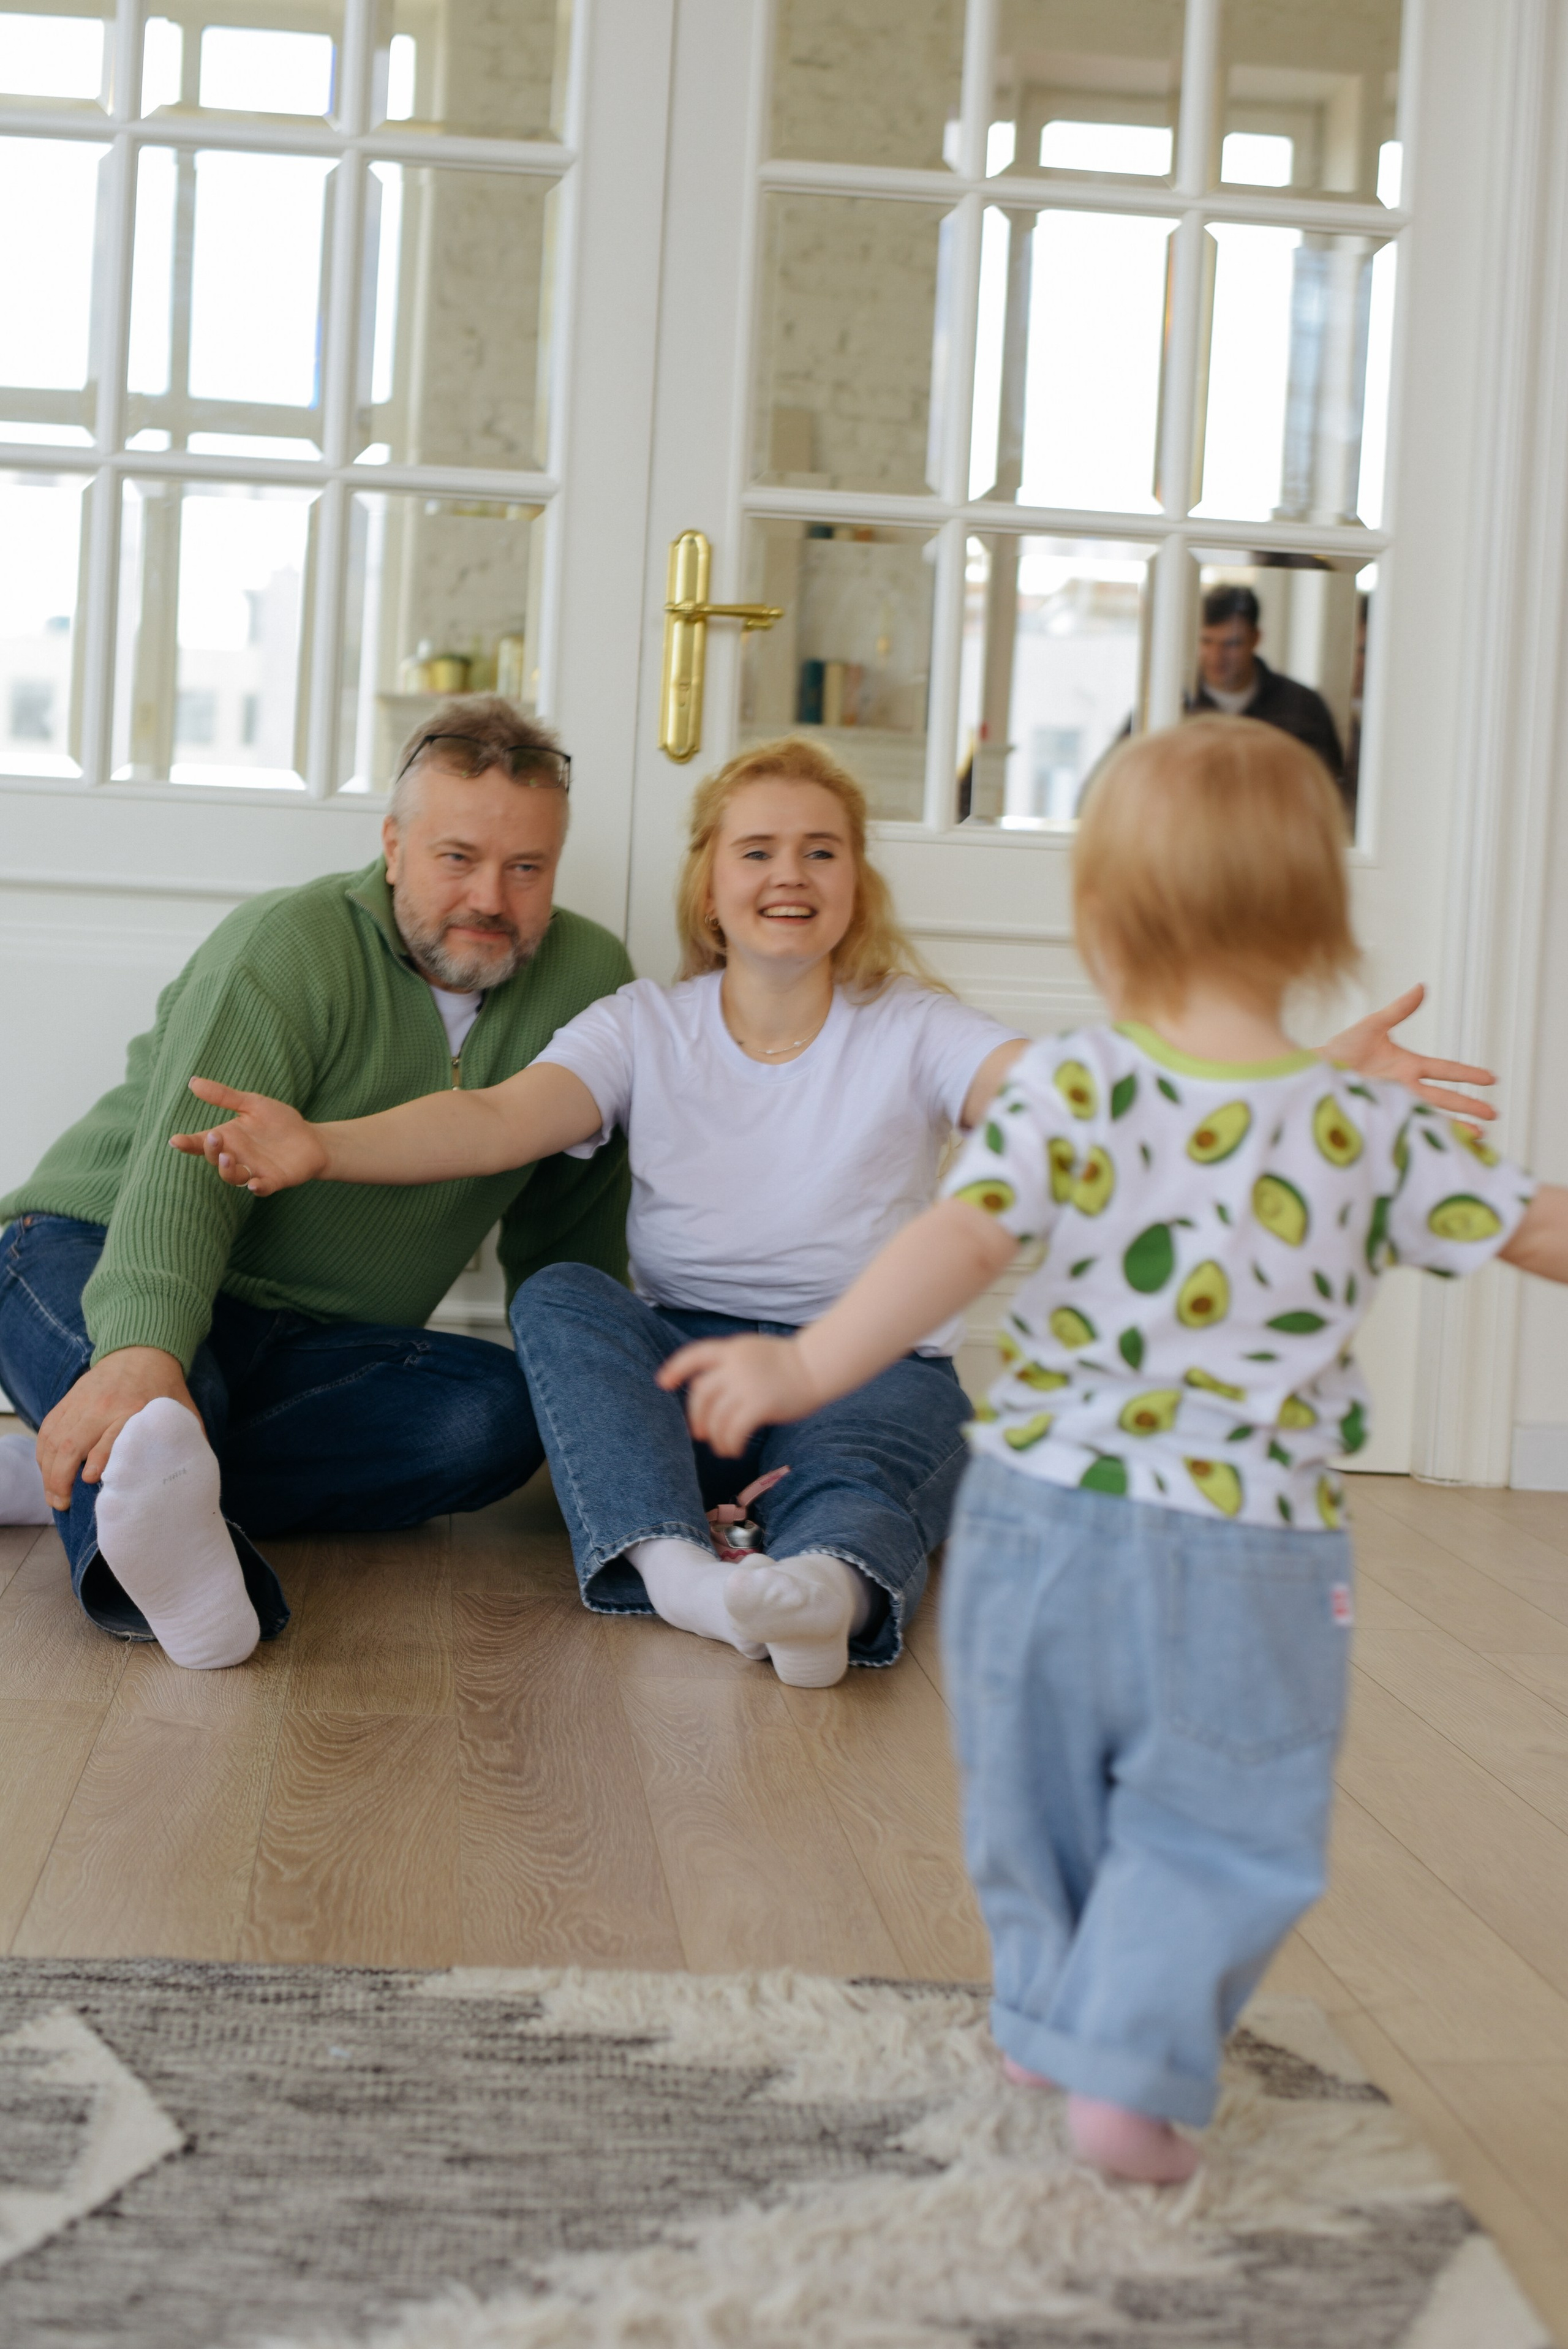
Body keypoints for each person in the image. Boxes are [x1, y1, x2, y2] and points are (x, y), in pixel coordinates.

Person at [655, 716, 1568, 2183]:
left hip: (1040, 1521)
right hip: (1245, 1544)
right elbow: (1535, 1226)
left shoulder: (1073, 1090)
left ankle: (1042, 2013)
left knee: (1033, 1786)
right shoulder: (1363, 1126)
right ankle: (1128, 2064)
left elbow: (955, 1240)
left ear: (1100, 918)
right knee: (1226, 1809)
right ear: (1319, 924)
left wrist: (808, 1360)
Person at [168, 736, 1498, 1689]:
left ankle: (826, 1598)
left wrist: (1299, 1083)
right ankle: (683, 1577)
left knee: (873, 1465)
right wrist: (319, 1147)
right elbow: (493, 1120)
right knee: (566, 1300)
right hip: (688, 1373)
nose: (788, 873)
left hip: (865, 1362)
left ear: (855, 881)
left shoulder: (910, 1027)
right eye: (756, 850)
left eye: (821, 850)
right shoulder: (642, 1024)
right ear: (710, 882)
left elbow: (1077, 1099)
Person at [0, 698, 632, 1668]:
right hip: (90, 1244)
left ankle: (63, 1469)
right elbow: (183, 1178)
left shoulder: (589, 977)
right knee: (162, 1393)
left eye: (526, 868)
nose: (490, 898)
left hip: (314, 1340)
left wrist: (614, 1433)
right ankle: (170, 1572)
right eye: (456, 857)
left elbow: (570, 1235)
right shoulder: (290, 943)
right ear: (393, 847)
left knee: (498, 1418)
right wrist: (141, 1351)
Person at [1189, 584, 1348, 807]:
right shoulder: (1177, 704)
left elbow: (1330, 791)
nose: (1217, 656)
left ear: (1255, 638)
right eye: (1206, 641)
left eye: (1232, 644)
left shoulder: (1303, 706)